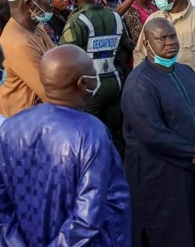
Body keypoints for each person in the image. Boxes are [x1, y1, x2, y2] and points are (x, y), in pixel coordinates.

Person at [0, 45, 130, 246]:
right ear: (83, 83)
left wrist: (14, 242)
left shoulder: (11, 127)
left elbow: (3, 203)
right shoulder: (91, 133)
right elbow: (88, 217)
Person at [122, 18, 195, 247]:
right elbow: (153, 134)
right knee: (169, 233)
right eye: (161, 38)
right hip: (161, 176)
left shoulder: (186, 73)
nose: (169, 43)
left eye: (172, 36)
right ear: (147, 44)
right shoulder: (139, 84)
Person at [60, 0, 135, 155]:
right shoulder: (114, 16)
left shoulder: (77, 20)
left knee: (90, 136)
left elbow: (65, 53)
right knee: (115, 135)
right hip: (115, 82)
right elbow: (128, 44)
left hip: (90, 86)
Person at [0, 0, 54, 117]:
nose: (52, 1)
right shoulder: (19, 43)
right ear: (29, 4)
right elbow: (51, 94)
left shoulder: (37, 28)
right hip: (23, 127)